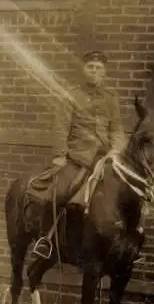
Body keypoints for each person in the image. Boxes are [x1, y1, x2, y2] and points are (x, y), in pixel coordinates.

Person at [28, 49, 127, 258]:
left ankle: (127, 243)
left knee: (128, 192)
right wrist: (60, 155)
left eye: (98, 68)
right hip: (78, 156)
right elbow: (61, 127)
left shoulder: (111, 98)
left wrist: (116, 150)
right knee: (60, 192)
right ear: (83, 70)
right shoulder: (71, 95)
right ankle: (46, 239)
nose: (94, 71)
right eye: (90, 67)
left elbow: (117, 129)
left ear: (104, 73)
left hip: (106, 157)